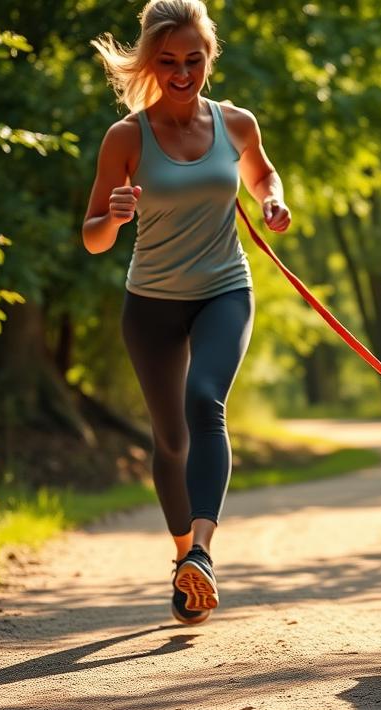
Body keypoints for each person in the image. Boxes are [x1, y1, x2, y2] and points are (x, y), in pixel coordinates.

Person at [82, 0, 291, 625]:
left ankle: (202, 550)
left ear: (209, 57)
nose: (181, 72)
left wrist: (274, 201)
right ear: (150, 62)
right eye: (168, 61)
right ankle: (184, 564)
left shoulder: (236, 124)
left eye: (193, 60)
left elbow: (263, 177)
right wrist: (114, 216)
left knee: (206, 402)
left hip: (225, 289)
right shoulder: (126, 137)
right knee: (170, 441)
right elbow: (92, 235)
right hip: (150, 303)